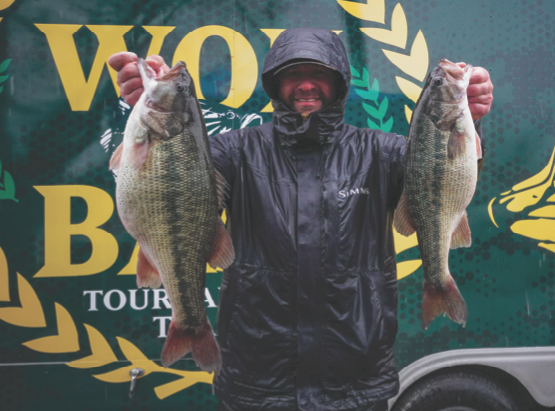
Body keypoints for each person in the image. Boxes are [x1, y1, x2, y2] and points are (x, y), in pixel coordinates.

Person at [109, 27, 493, 411]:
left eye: (319, 74)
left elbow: (440, 172)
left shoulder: (381, 152)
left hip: (356, 378)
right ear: (275, 84)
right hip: (256, 379)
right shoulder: (234, 150)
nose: (306, 85)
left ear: (339, 83)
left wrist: (468, 122)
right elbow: (170, 173)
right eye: (293, 74)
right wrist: (149, 105)